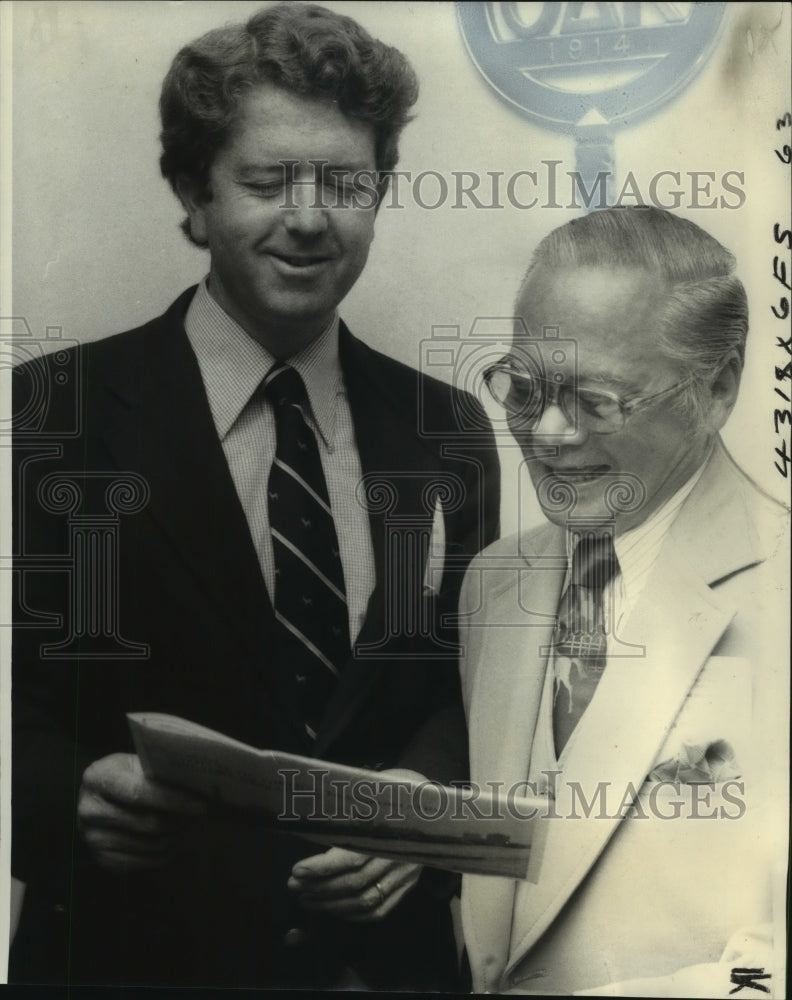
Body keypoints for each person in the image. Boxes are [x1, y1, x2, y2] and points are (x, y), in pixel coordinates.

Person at [10, 3, 499, 990]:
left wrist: (423, 803)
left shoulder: (448, 428)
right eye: (268, 181)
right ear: (194, 196)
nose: (310, 217)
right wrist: (59, 794)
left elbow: (475, 687)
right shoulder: (46, 411)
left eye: (345, 182)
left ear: (381, 192)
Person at [459, 207, 788, 996]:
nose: (546, 433)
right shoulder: (492, 583)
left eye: (597, 401)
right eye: (524, 389)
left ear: (718, 388)